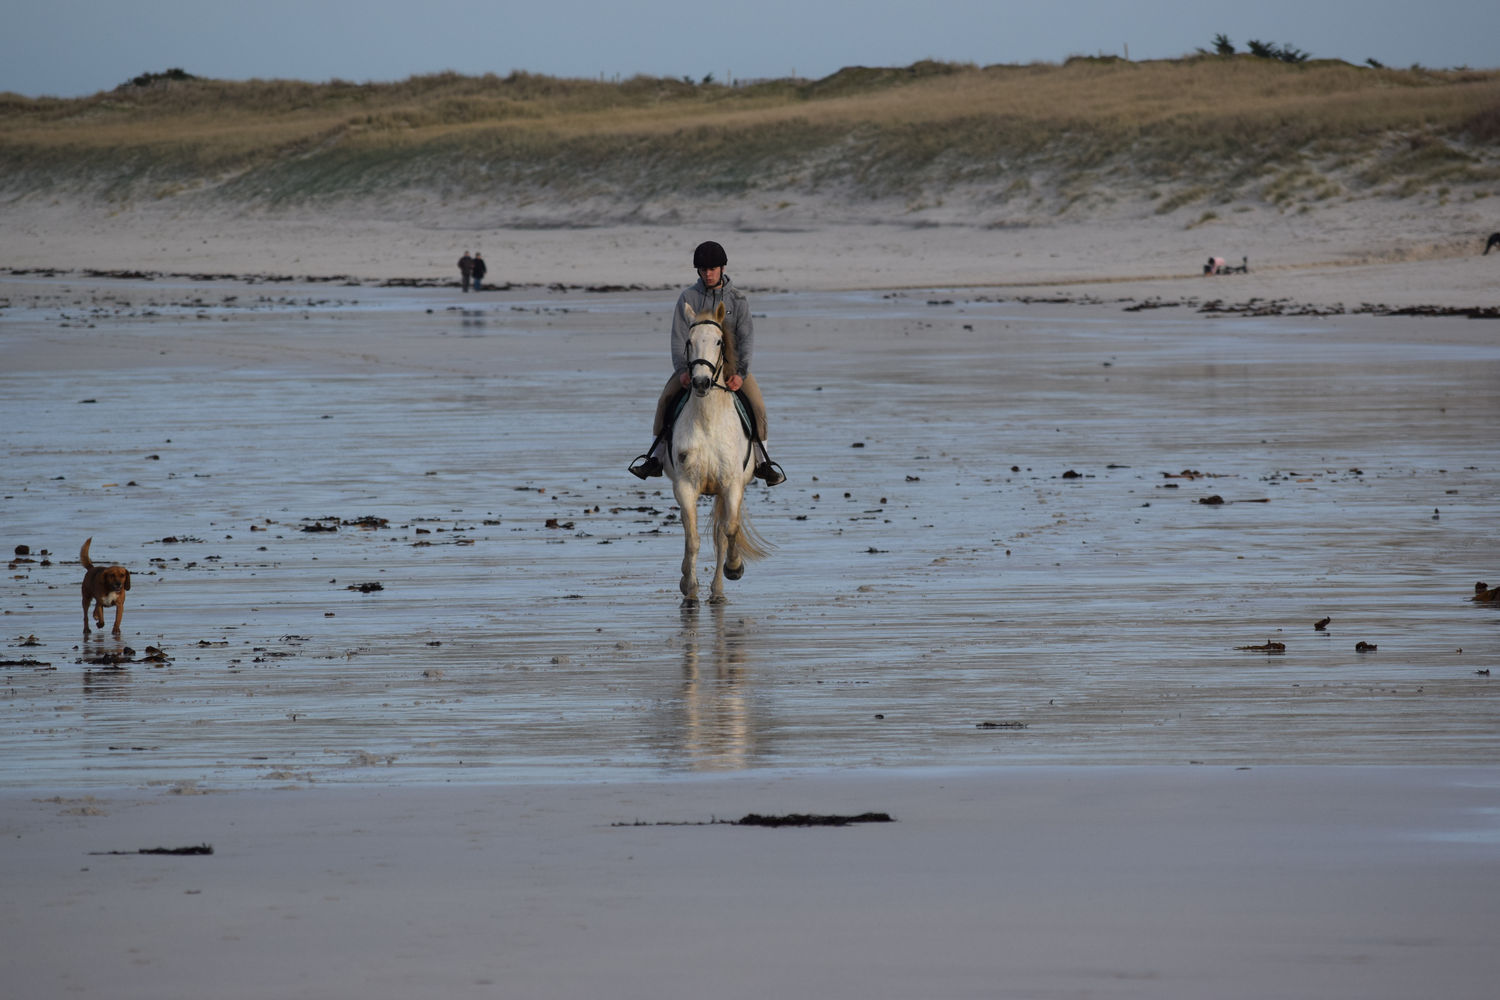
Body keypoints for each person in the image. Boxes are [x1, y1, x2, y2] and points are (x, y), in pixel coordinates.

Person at [629, 240, 785, 486]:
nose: (707, 274)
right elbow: (678, 337)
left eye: (712, 269)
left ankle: (762, 462)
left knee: (757, 405)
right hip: (693, 369)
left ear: (722, 268)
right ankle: (655, 459)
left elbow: (747, 340)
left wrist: (741, 374)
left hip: (732, 369)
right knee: (665, 400)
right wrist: (682, 370)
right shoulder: (688, 297)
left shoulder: (738, 300)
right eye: (703, 270)